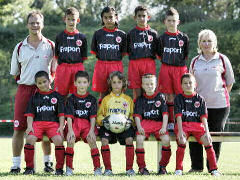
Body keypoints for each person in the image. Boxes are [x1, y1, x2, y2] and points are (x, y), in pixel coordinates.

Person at [10, 10, 55, 173]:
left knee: (47, 128)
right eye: (32, 22)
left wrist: (47, 86)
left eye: (37, 22)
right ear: (27, 25)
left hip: (44, 92)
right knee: (19, 129)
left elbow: (54, 70)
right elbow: (15, 72)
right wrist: (27, 84)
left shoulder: (50, 45)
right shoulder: (20, 47)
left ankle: (48, 164)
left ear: (42, 24)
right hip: (24, 90)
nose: (35, 25)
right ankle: (15, 165)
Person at [188, 29, 235, 172]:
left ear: (214, 43)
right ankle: (196, 167)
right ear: (199, 44)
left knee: (215, 136)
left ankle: (212, 168)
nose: (207, 44)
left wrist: (220, 95)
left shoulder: (222, 59)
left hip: (219, 105)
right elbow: (189, 83)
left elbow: (230, 82)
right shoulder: (195, 61)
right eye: (204, 41)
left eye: (209, 41)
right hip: (197, 106)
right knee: (194, 134)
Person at [174, 73, 220, 176]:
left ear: (195, 84)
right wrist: (180, 131)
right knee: (181, 141)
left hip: (197, 126)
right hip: (183, 125)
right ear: (181, 85)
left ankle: (214, 169)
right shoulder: (178, 98)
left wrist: (207, 133)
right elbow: (178, 117)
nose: (188, 85)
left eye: (190, 83)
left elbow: (204, 118)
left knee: (208, 141)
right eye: (185, 83)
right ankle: (178, 169)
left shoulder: (200, 99)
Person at [23, 71, 65, 175]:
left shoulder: (57, 96)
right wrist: (29, 126)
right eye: (39, 83)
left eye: (44, 82)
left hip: (53, 124)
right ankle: (29, 168)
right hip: (38, 124)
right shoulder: (34, 97)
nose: (42, 85)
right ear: (36, 84)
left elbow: (61, 114)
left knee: (59, 140)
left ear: (49, 81)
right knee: (29, 139)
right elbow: (30, 114)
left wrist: (61, 126)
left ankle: (59, 169)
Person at [96, 71, 135, 176]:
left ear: (123, 83)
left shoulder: (128, 99)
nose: (116, 84)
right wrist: (103, 121)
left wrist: (130, 121)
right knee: (104, 140)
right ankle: (108, 169)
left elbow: (132, 115)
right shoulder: (106, 99)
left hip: (124, 128)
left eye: (119, 82)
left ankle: (129, 169)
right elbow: (99, 116)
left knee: (130, 139)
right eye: (114, 82)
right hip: (109, 127)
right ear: (110, 84)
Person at [157, 7, 189, 130]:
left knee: (181, 95)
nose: (171, 23)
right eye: (169, 20)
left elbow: (185, 55)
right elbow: (159, 55)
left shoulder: (183, 38)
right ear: (165, 21)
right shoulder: (161, 38)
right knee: (168, 96)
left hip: (180, 69)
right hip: (166, 68)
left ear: (178, 22)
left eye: (174, 20)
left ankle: (181, 120)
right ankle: (170, 121)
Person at [65, 71, 101, 176]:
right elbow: (69, 117)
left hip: (87, 125)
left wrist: (91, 131)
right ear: (75, 83)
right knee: (70, 140)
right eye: (79, 82)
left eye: (84, 82)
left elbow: (93, 117)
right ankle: (69, 168)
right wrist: (70, 131)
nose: (82, 85)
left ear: (88, 83)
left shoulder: (92, 99)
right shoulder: (71, 99)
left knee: (92, 141)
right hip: (74, 124)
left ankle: (97, 168)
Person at [134, 74, 171, 175]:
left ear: (155, 85)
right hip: (145, 124)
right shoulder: (140, 99)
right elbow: (137, 116)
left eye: (151, 84)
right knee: (139, 139)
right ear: (142, 86)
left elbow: (165, 114)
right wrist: (139, 127)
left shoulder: (161, 97)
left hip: (159, 124)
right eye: (146, 84)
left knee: (166, 140)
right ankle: (142, 167)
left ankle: (163, 166)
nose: (149, 86)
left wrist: (164, 127)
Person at [91, 7, 127, 103]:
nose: (108, 20)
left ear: (116, 17)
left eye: (111, 17)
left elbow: (123, 53)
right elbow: (95, 51)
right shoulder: (98, 34)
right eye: (105, 17)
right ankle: (102, 115)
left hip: (116, 65)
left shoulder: (122, 35)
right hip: (101, 65)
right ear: (102, 19)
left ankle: (117, 115)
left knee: (117, 91)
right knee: (103, 93)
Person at [127, 6, 158, 101]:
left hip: (149, 63)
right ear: (135, 17)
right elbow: (128, 51)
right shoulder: (131, 33)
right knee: (137, 91)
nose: (141, 18)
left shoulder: (153, 33)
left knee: (149, 89)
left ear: (148, 17)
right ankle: (137, 113)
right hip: (135, 64)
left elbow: (156, 51)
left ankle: (149, 113)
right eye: (139, 16)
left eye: (144, 16)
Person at [54, 7, 88, 96]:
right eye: (68, 19)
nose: (71, 22)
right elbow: (57, 56)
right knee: (61, 95)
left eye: (73, 19)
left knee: (78, 94)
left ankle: (75, 110)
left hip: (77, 68)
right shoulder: (59, 37)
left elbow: (83, 57)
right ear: (64, 19)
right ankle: (62, 110)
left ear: (78, 20)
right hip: (63, 69)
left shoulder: (82, 37)